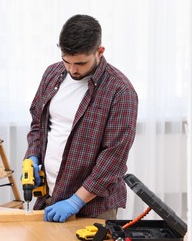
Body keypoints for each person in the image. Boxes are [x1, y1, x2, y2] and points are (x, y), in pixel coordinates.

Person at [23, 14, 138, 223]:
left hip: (92, 207)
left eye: (80, 63)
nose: (72, 69)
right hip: (48, 197)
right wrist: (33, 156)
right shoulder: (52, 74)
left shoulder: (120, 92)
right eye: (66, 61)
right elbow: (37, 124)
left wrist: (75, 201)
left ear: (99, 52)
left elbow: (114, 158)